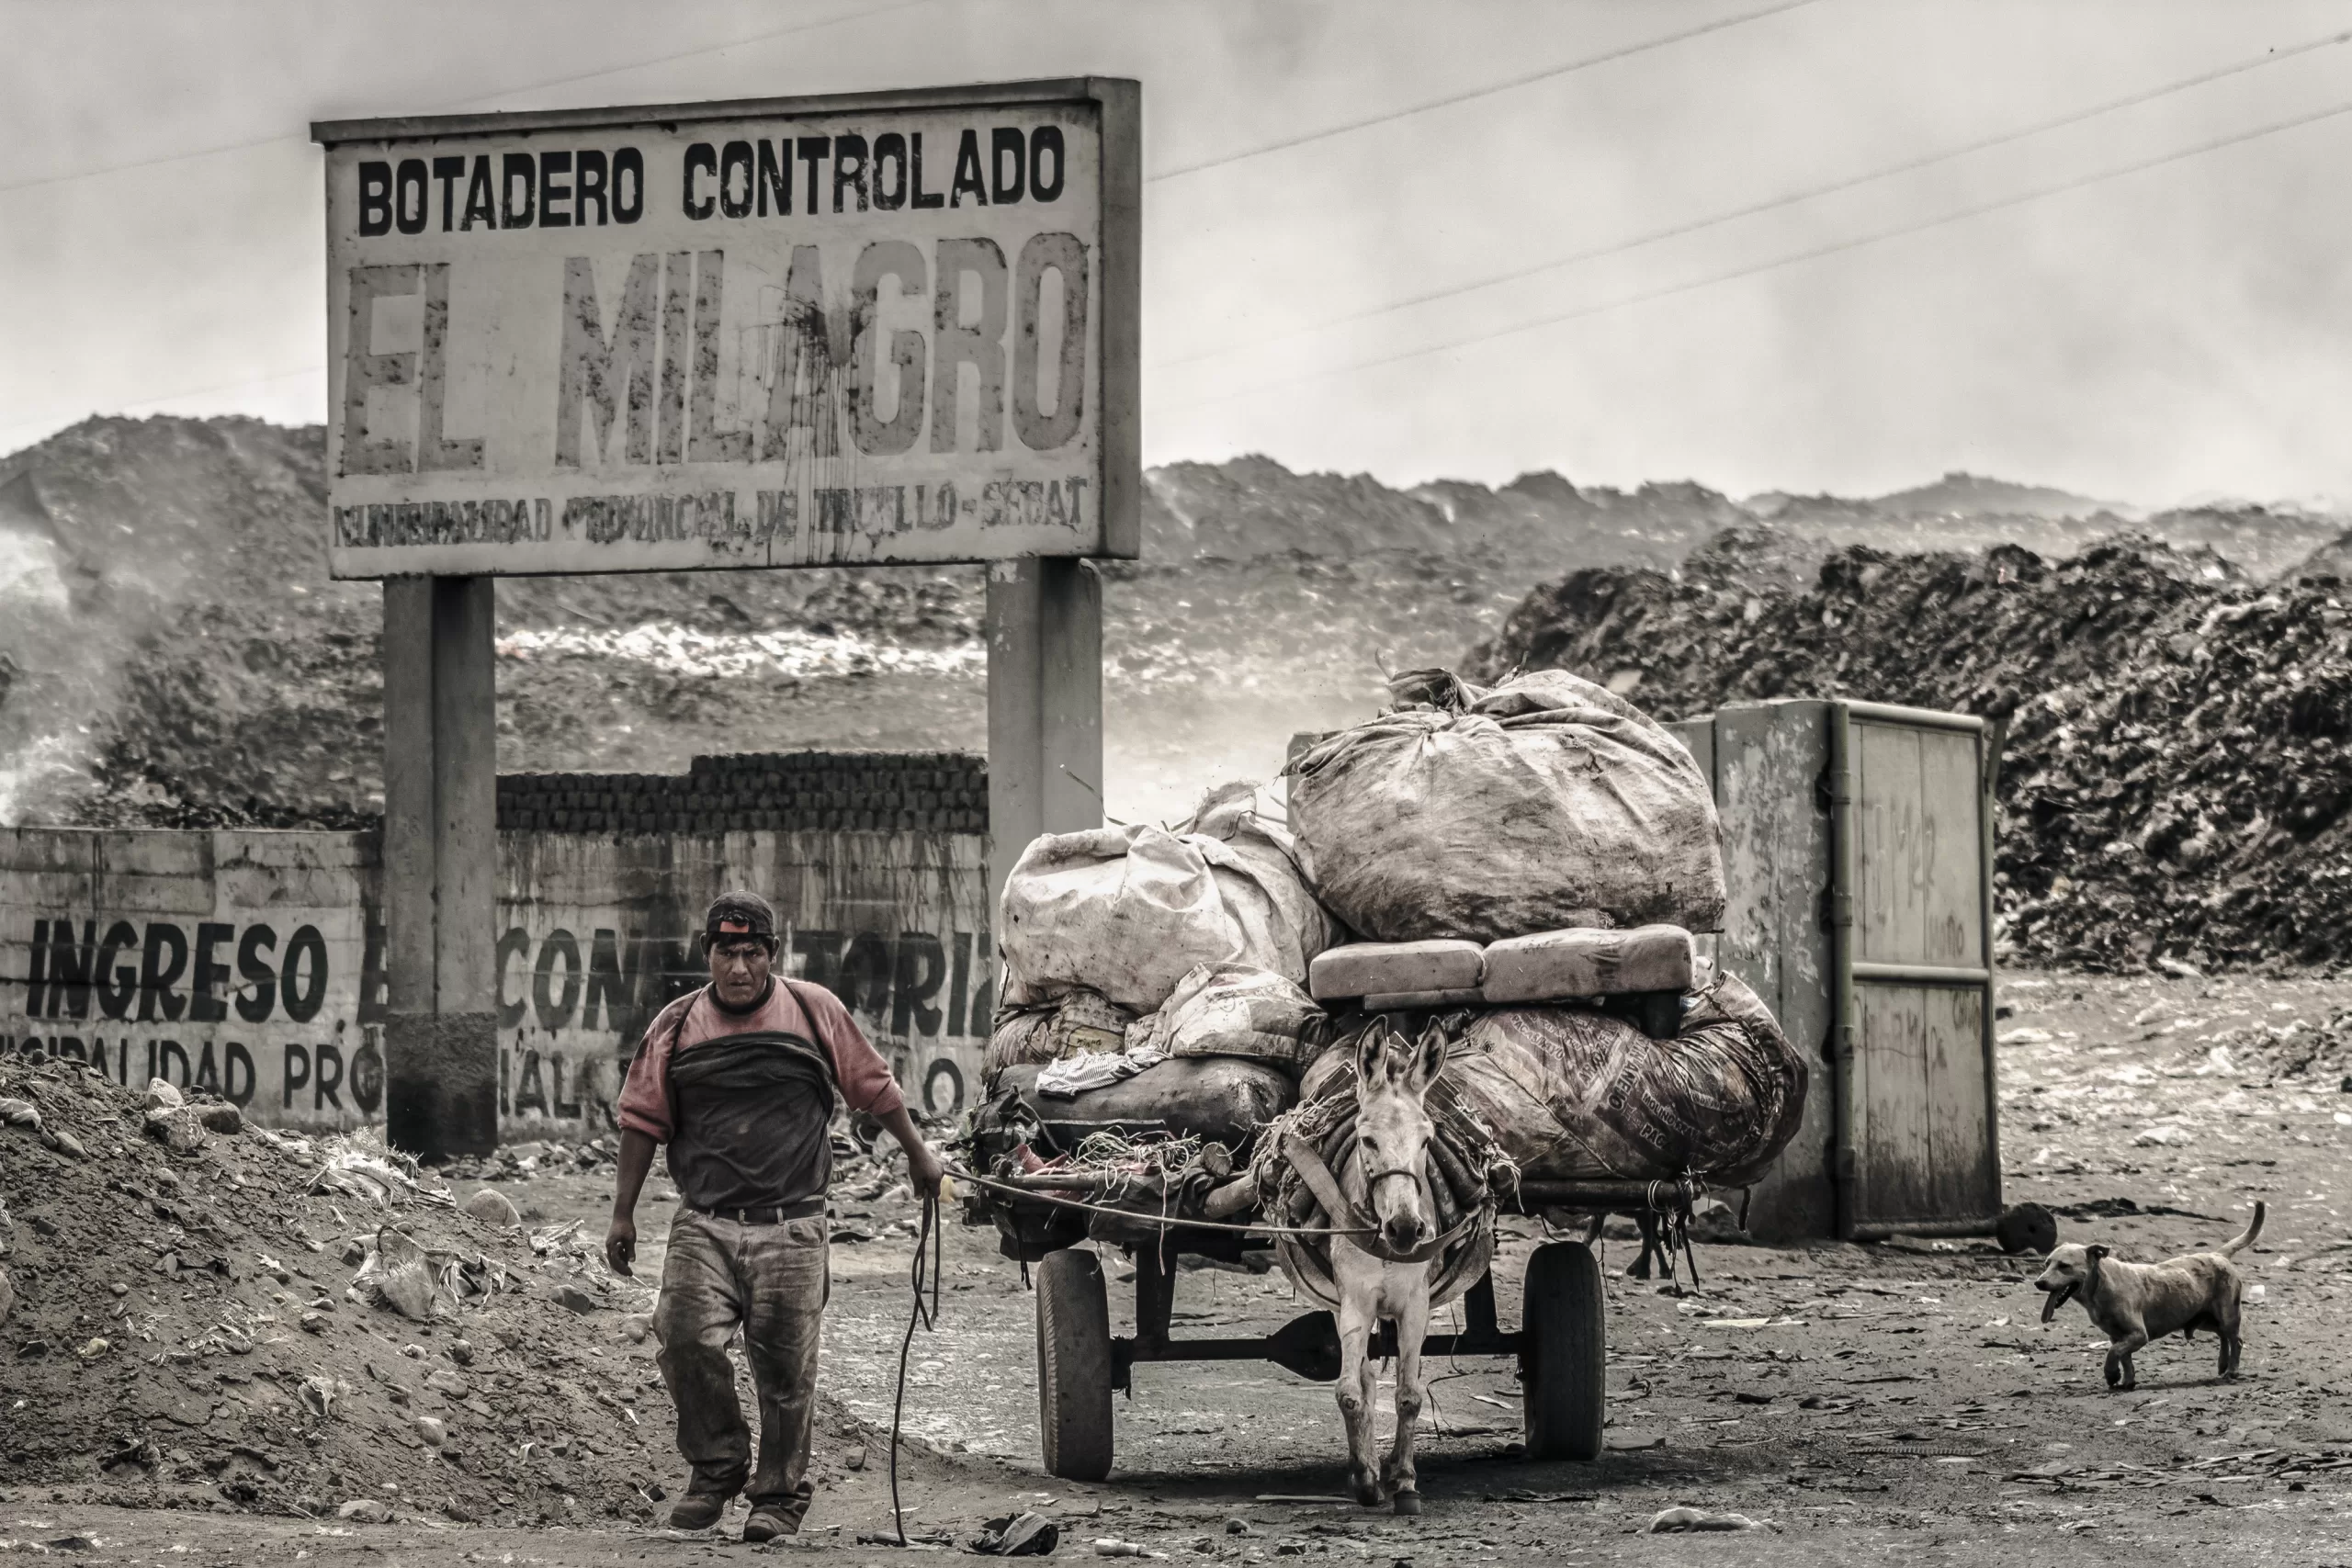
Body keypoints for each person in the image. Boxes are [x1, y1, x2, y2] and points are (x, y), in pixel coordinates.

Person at [606, 890, 944, 1541]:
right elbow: (642, 1118)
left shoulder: (814, 1012)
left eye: (752, 952)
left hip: (792, 1226)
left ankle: (779, 1496)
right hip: (703, 1222)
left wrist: (919, 1154)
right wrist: (622, 1214)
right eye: (727, 952)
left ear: (771, 955)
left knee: (787, 1374)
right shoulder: (676, 1026)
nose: (739, 967)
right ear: (708, 954)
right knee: (682, 1340)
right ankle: (716, 1468)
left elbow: (873, 1087)